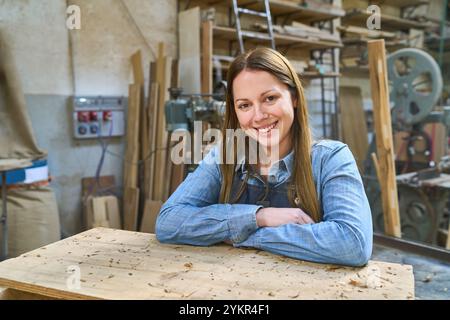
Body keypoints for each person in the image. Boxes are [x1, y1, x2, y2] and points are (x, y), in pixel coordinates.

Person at [156, 48, 373, 267]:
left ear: (294, 97)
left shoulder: (331, 159)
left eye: (270, 98)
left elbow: (352, 244)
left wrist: (245, 235)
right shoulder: (224, 157)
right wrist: (259, 217)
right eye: (244, 105)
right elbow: (168, 222)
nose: (258, 116)